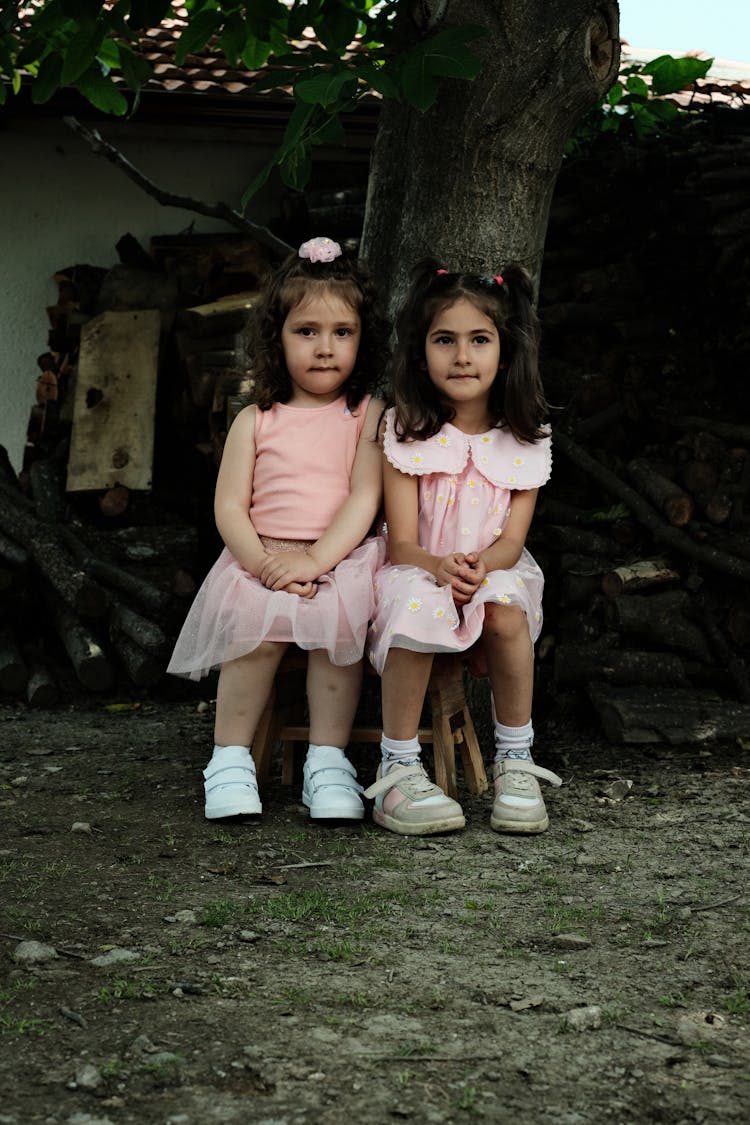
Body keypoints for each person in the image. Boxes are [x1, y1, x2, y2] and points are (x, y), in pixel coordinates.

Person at [168, 237, 388, 823]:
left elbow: (366, 496)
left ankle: (327, 761)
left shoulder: (366, 414)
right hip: (258, 559)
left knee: (335, 640)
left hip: (338, 561)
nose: (324, 347)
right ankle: (231, 759)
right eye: (306, 331)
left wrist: (315, 562)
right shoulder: (254, 418)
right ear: (276, 337)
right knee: (254, 634)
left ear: (363, 339)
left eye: (342, 332)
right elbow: (230, 509)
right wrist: (266, 565)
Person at [364, 260, 561, 836]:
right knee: (420, 604)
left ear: (505, 351)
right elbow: (401, 542)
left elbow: (512, 542)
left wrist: (476, 568)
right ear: (421, 351)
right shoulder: (405, 431)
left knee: (504, 605)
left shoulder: (525, 438)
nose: (462, 356)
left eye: (479, 340)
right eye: (444, 340)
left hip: (492, 568)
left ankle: (516, 759)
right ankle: (397, 766)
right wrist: (439, 565)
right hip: (417, 569)